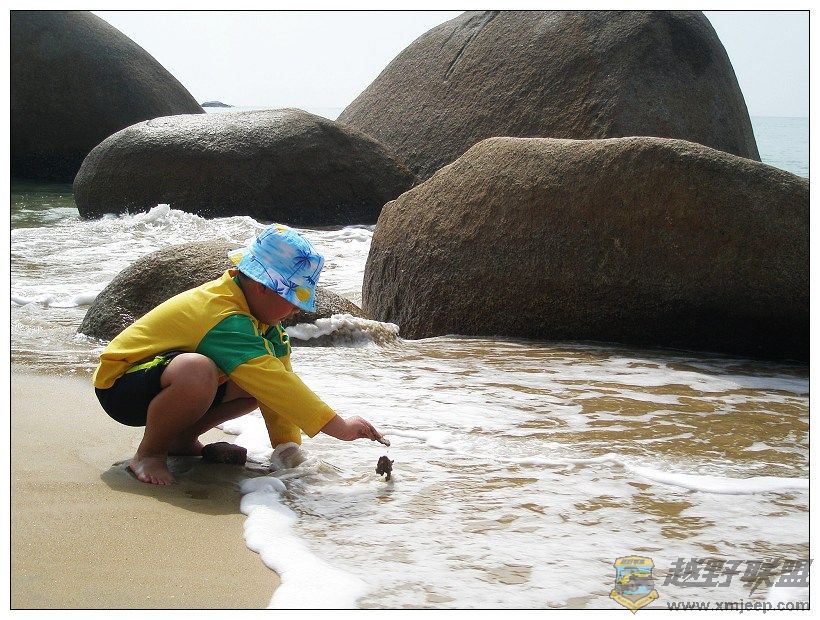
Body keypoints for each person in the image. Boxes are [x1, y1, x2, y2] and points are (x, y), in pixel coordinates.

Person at [93, 223, 385, 485]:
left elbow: (279, 384)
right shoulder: (223, 314)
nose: (297, 309)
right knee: (197, 370)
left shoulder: (267, 326)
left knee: (253, 385)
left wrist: (288, 450)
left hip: (161, 382)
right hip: (121, 385)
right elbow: (273, 382)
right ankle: (150, 453)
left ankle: (181, 440)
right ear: (261, 286)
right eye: (292, 298)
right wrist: (339, 427)